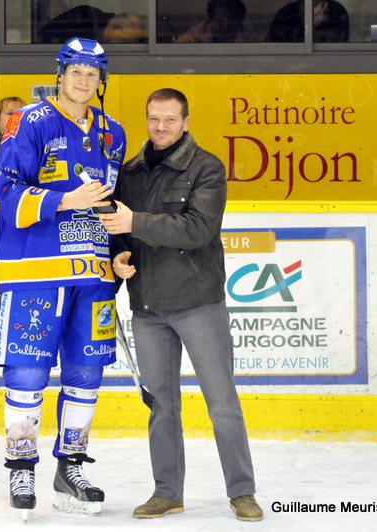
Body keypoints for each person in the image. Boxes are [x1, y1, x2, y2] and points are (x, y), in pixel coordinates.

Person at [98, 88, 262, 522]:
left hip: (197, 302)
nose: (161, 127)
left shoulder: (206, 167)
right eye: (154, 118)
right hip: (148, 306)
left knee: (221, 403)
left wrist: (136, 222)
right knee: (161, 405)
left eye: (170, 119)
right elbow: (120, 233)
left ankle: (242, 492)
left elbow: (198, 229)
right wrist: (118, 256)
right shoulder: (130, 172)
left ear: (185, 122)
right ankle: (167, 492)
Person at [0, 37, 126, 517]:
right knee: (28, 371)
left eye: (93, 74)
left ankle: (70, 466)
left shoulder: (113, 132)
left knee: (87, 371)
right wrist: (65, 200)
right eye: (77, 72)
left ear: (101, 80)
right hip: (37, 269)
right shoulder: (28, 120)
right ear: (60, 74)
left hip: (93, 272)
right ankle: (21, 467)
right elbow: (6, 189)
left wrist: (122, 251)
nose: (84, 80)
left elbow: (116, 204)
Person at [267, 0, 349, 43]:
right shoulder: (286, 15)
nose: (305, 21)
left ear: (324, 6)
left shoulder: (337, 15)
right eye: (302, 14)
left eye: (312, 15)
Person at [175, 0, 247, 43]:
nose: (225, 28)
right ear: (210, 21)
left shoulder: (246, 40)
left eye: (231, 24)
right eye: (220, 22)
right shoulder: (190, 38)